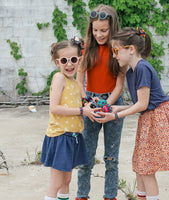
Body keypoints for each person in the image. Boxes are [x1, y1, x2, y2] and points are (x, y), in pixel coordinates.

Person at [95, 27, 169, 200]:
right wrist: (116, 108)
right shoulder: (132, 70)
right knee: (141, 166)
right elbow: (141, 103)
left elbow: (143, 104)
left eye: (116, 51)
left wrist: (116, 115)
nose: (114, 55)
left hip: (157, 118)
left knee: (146, 169)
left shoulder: (141, 68)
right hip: (149, 117)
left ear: (131, 49)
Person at [75, 4, 127, 200]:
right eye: (95, 30)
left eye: (104, 30)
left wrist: (107, 108)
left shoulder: (118, 50)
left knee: (111, 158)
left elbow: (119, 84)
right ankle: (81, 196)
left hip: (112, 103)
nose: (99, 34)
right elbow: (80, 80)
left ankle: (110, 196)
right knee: (86, 158)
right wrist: (86, 104)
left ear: (112, 28)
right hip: (90, 102)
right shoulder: (86, 49)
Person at [40, 39, 93, 200]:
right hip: (60, 136)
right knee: (57, 182)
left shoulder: (75, 83)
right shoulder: (59, 78)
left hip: (72, 137)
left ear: (80, 60)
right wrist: (82, 110)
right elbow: (54, 108)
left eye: (73, 60)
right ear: (58, 62)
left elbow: (79, 102)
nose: (69, 64)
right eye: (64, 60)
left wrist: (90, 104)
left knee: (67, 180)